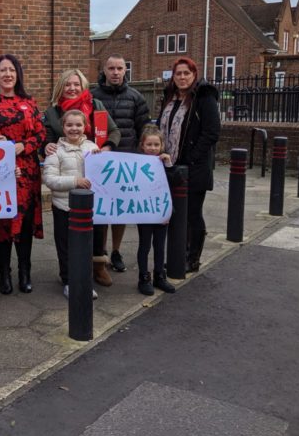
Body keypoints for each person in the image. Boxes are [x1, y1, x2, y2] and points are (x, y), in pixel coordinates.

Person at [43, 68, 121, 287]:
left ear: (83, 85)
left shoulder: (96, 106)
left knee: (97, 228)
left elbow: (115, 132)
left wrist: (105, 149)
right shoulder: (53, 112)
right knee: (66, 235)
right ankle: (69, 275)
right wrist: (46, 145)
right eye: (68, 84)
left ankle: (98, 266)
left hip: (94, 173)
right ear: (61, 86)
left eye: (76, 84)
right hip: (67, 170)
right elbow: (46, 138)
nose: (72, 88)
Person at [0, 54, 46, 295]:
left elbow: (40, 134)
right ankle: (4, 273)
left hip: (27, 172)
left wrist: (23, 146)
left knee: (25, 222)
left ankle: (24, 272)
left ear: (17, 75)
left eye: (12, 70)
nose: (7, 74)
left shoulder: (30, 102)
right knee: (2, 222)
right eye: (2, 70)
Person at [158, 56, 221, 273]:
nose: (182, 77)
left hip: (194, 167)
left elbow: (212, 132)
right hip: (171, 165)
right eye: (178, 73)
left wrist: (191, 158)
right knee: (176, 213)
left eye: (187, 73)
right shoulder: (170, 96)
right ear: (173, 76)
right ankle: (178, 254)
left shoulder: (204, 96)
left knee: (193, 214)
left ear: (194, 75)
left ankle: (192, 258)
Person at [91, 54, 150, 273]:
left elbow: (144, 129)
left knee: (121, 212)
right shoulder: (92, 96)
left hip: (126, 162)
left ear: (125, 71)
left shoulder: (136, 97)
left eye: (120, 68)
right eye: (111, 68)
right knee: (102, 211)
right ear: (104, 70)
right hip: (99, 163)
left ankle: (116, 251)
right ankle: (102, 251)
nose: (116, 72)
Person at [42, 109, 102, 299]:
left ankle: (84, 280)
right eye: (69, 125)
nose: (74, 128)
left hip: (88, 208)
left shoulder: (92, 147)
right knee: (66, 247)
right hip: (64, 207)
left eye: (78, 125)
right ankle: (68, 281)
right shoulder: (55, 151)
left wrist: (101, 157)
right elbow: (49, 179)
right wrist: (75, 182)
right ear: (63, 127)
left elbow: (102, 173)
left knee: (86, 248)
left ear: (85, 126)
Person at [135, 124, 178, 296]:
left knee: (160, 245)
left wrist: (168, 165)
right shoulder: (136, 164)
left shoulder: (165, 162)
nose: (153, 148)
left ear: (162, 146)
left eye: (156, 145)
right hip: (144, 212)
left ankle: (160, 276)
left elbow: (175, 183)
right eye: (149, 145)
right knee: (144, 245)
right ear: (142, 146)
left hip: (161, 211)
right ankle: (143, 277)